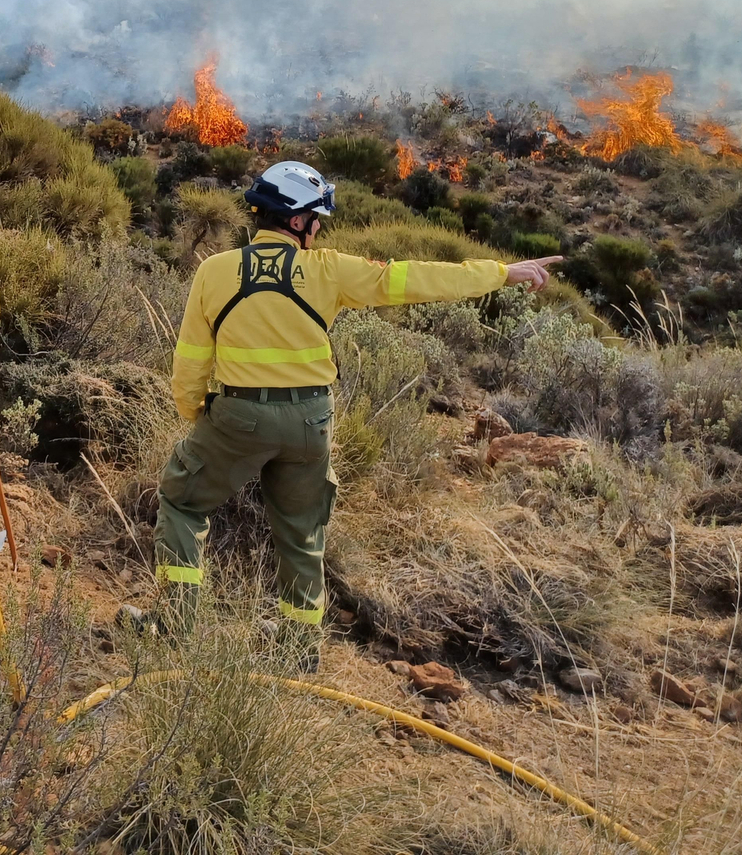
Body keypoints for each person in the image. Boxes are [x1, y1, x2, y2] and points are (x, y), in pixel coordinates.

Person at [124, 160, 561, 668]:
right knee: (302, 532)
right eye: (316, 220)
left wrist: (197, 414)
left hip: (238, 416)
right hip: (311, 422)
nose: (318, 230)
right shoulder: (329, 270)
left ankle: (174, 625)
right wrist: (502, 273)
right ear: (296, 220)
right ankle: (298, 648)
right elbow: (414, 278)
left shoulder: (214, 271)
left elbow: (191, 362)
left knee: (182, 502)